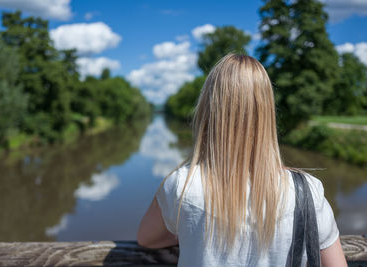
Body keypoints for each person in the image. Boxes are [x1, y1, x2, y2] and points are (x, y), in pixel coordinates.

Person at [137, 53, 347, 267]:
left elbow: (146, 238)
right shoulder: (308, 191)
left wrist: (189, 231)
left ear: (208, 111)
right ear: (266, 112)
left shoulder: (181, 185)